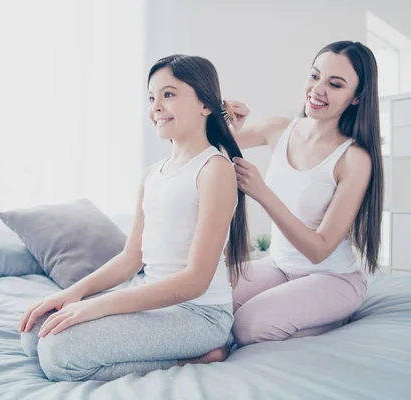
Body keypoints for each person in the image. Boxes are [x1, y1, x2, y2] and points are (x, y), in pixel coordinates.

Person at [18, 54, 250, 381]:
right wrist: (74, 294)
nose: (156, 106)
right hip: (150, 296)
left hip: (198, 314)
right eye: (152, 97)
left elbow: (196, 281)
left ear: (205, 105)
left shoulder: (214, 170)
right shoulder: (151, 174)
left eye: (168, 94)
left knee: (59, 356)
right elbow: (131, 258)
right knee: (34, 332)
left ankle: (202, 357)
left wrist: (100, 307)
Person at [180, 40, 383, 365]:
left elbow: (319, 250)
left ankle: (329, 319)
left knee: (246, 326)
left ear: (357, 97)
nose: (318, 90)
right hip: (278, 265)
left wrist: (262, 193)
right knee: (206, 296)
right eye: (315, 76)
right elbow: (213, 140)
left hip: (332, 278)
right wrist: (226, 115)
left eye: (335, 84)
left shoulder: (355, 159)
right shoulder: (279, 129)